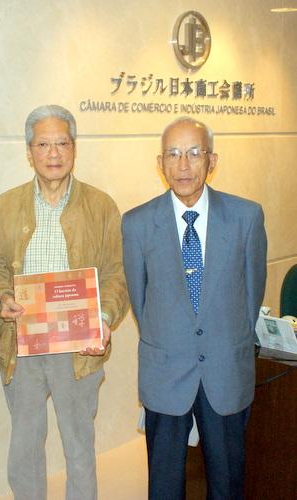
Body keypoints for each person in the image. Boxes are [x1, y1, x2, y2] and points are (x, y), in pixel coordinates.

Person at [0, 104, 128, 500]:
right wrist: (3, 296)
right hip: (22, 341)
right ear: (28, 151)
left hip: (78, 347)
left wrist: (102, 318)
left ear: (74, 148)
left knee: (79, 445)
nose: (53, 153)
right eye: (43, 144)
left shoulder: (101, 206)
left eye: (62, 143)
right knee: (25, 445)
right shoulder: (4, 206)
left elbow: (117, 272)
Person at [122, 117, 267, 500]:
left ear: (212, 160)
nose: (183, 165)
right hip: (165, 371)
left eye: (193, 153)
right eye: (172, 154)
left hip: (226, 371)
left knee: (227, 484)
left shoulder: (246, 217)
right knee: (165, 486)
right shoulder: (137, 223)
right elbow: (141, 300)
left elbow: (251, 298)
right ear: (160, 163)